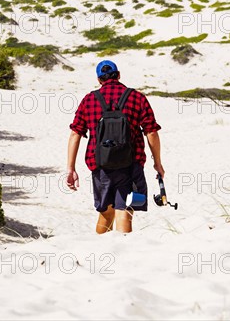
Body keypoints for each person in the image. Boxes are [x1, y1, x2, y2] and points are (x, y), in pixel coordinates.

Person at [66, 60, 164, 234]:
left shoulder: (89, 100)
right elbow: (152, 132)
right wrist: (158, 163)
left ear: (99, 79)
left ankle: (99, 251)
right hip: (131, 166)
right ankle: (123, 255)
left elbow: (75, 134)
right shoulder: (136, 97)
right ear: (118, 75)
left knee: (105, 212)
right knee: (125, 210)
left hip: (100, 166)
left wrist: (71, 168)